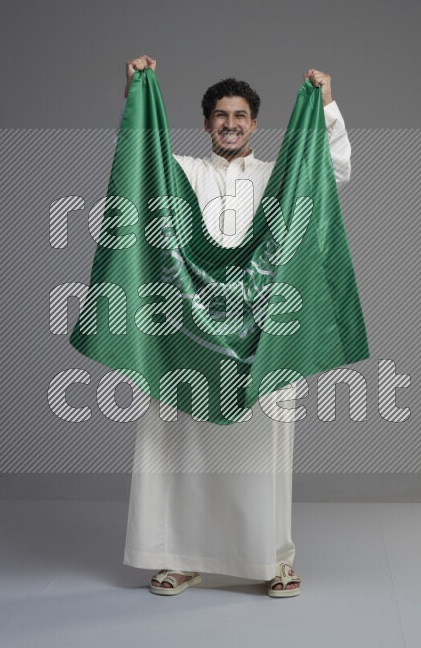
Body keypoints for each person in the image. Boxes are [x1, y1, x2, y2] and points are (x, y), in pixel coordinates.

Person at [118, 55, 352, 597]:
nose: (230, 123)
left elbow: (334, 170)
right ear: (206, 124)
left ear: (254, 122)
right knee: (177, 444)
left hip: (259, 331)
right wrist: (134, 92)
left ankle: (273, 559)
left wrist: (327, 107)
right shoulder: (184, 172)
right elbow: (136, 161)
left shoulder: (279, 178)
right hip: (186, 331)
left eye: (240, 115)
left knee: (262, 449)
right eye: (220, 115)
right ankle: (176, 556)